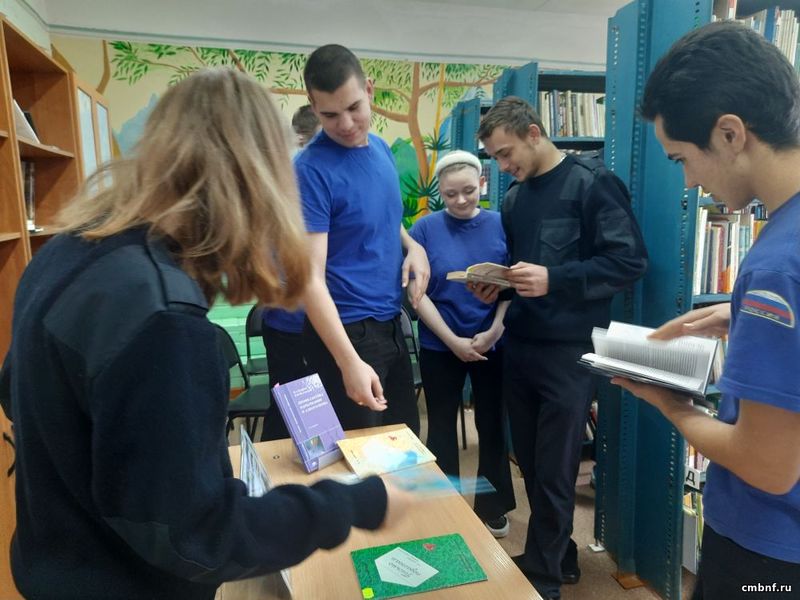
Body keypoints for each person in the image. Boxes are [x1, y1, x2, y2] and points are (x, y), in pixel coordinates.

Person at [0, 68, 409, 600]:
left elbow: (14, 388)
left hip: (52, 562)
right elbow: (197, 536)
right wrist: (351, 503)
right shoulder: (164, 321)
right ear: (256, 181)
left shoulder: (68, 249)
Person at [624, 21, 800, 599]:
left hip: (767, 551)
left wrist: (669, 402)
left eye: (681, 158)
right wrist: (742, 315)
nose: (689, 182)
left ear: (729, 134)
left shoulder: (777, 267)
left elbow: (768, 465)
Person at [476, 96, 648, 599]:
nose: (503, 166)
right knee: (530, 463)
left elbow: (629, 262)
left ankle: (543, 580)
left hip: (569, 352)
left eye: (506, 153)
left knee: (554, 469)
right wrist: (498, 287)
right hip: (521, 345)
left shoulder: (592, 184)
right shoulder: (514, 199)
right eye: (495, 158)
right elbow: (523, 272)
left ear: (533, 133)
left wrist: (555, 278)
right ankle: (559, 556)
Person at [297, 44, 429, 434]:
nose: (346, 124)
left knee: (404, 444)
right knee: (358, 451)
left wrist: (413, 246)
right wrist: (348, 361)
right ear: (313, 105)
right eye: (330, 115)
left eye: (354, 107)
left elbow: (381, 219)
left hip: (390, 321)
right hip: (347, 331)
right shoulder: (310, 170)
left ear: (369, 89)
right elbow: (309, 279)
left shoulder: (382, 150)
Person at [408, 150, 516, 538]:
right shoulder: (424, 229)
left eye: (468, 191)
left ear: (481, 184)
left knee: (492, 424)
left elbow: (513, 285)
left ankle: (493, 506)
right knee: (440, 426)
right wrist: (452, 341)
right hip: (441, 344)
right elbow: (417, 294)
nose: (460, 200)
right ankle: (445, 508)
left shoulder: (502, 224)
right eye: (451, 194)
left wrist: (496, 330)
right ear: (440, 191)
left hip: (492, 341)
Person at [258, 103, 321, 441]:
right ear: (300, 140)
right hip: (288, 323)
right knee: (287, 412)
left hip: (321, 321)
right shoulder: (283, 185)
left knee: (319, 416)